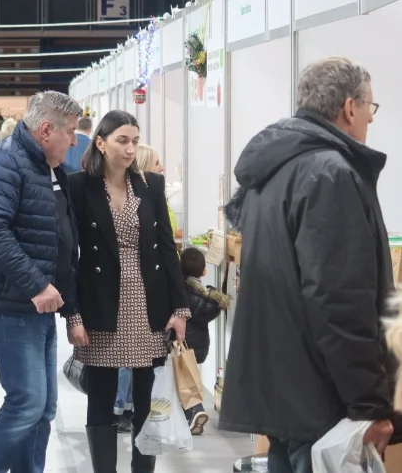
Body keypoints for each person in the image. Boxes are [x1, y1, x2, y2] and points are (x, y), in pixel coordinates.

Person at [220, 56, 394, 472]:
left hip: (281, 385)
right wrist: (369, 402)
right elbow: (339, 301)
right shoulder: (330, 173)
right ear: (350, 107)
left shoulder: (279, 167)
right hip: (319, 394)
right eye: (371, 106)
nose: (371, 117)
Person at [0, 91, 81, 473]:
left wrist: (66, 305)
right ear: (45, 130)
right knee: (26, 403)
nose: (75, 141)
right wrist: (37, 285)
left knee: (42, 409)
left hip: (35, 307)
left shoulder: (43, 165)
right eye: (70, 132)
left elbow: (58, 237)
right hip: (8, 306)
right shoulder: (3, 162)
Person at [66, 110, 189, 473]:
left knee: (146, 398)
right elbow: (67, 254)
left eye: (135, 140)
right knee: (101, 396)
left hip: (148, 300)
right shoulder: (78, 186)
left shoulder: (151, 184)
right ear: (100, 143)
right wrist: (73, 313)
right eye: (122, 140)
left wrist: (180, 309)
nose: (130, 148)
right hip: (101, 303)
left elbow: (167, 249)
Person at [179, 247, 227, 435]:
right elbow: (210, 309)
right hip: (199, 346)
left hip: (182, 343)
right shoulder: (206, 297)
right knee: (191, 376)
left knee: (183, 380)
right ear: (204, 271)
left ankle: (194, 411)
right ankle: (191, 414)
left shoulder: (180, 291)